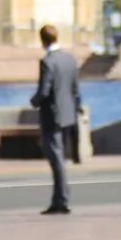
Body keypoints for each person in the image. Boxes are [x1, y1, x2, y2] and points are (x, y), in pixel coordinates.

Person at [30, 23, 82, 214]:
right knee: (60, 158)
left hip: (53, 116)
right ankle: (60, 198)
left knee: (56, 158)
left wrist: (34, 101)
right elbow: (75, 88)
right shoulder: (69, 58)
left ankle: (61, 200)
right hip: (69, 115)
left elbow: (44, 91)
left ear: (42, 40)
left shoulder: (47, 61)